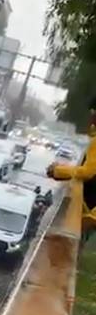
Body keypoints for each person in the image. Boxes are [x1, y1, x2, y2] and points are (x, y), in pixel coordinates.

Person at [48, 97, 96, 241]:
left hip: (90, 212)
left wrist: (58, 171)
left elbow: (88, 172)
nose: (91, 118)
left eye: (94, 113)